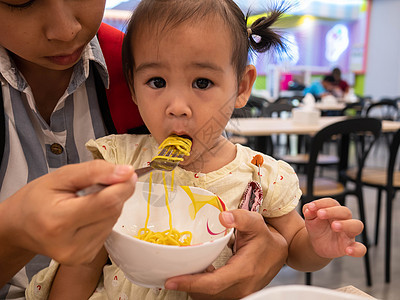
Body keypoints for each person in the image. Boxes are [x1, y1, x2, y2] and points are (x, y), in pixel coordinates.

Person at [27, 0, 366, 299]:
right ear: (132, 87)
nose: (177, 107)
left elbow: (294, 248)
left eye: (202, 83)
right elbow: (85, 261)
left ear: (242, 87)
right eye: (156, 82)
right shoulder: (121, 162)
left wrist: (319, 246)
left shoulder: (259, 175)